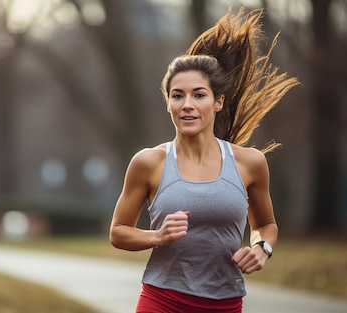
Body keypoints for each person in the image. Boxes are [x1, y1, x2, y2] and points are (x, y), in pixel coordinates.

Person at [109, 8, 299, 313]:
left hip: (224, 303)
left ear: (218, 102)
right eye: (177, 95)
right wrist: (156, 235)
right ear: (167, 102)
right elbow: (118, 231)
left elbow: (265, 224)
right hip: (162, 300)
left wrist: (262, 248)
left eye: (199, 95)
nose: (187, 105)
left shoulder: (250, 163)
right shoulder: (149, 162)